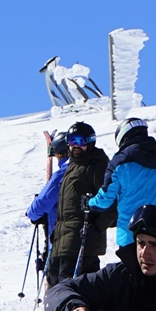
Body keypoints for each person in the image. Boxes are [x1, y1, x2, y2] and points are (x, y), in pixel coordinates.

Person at [88, 118, 156, 249]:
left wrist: (89, 203)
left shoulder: (119, 163)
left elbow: (105, 200)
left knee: (131, 269)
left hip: (130, 235)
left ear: (122, 137)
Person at [48, 122, 110, 284]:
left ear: (90, 142)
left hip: (82, 243)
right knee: (56, 290)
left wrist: (96, 227)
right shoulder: (73, 167)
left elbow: (112, 202)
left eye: (80, 141)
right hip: (62, 241)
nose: (75, 146)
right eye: (72, 141)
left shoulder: (97, 166)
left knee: (73, 291)